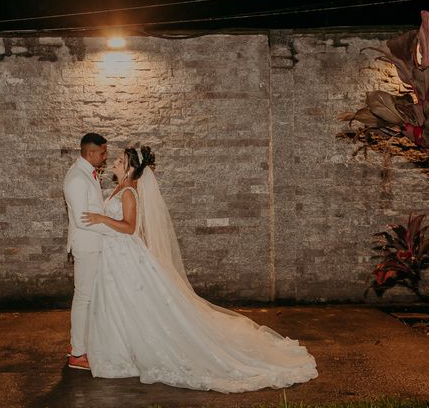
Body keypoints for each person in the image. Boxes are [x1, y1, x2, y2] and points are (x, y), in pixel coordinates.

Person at [81, 146, 318, 393]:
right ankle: (122, 351)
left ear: (130, 168)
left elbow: (129, 227)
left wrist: (101, 219)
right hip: (115, 256)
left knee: (136, 304)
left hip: (125, 254)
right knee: (119, 304)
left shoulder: (129, 192)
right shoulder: (118, 188)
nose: (115, 163)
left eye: (120, 160)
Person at [62, 133, 117, 370]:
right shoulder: (77, 178)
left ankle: (79, 343)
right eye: (103, 153)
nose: (105, 157)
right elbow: (83, 219)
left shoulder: (86, 174)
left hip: (93, 243)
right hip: (87, 244)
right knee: (83, 297)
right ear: (91, 152)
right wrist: (115, 231)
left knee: (87, 296)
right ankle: (77, 353)